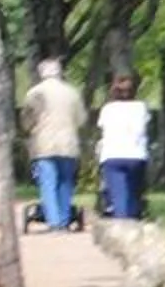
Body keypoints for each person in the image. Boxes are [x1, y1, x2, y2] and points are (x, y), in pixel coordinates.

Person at [22, 57, 87, 231]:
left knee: (48, 182)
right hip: (68, 143)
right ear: (60, 72)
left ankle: (54, 222)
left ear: (42, 73)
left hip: (44, 144)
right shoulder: (72, 93)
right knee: (66, 182)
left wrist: (30, 129)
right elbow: (80, 119)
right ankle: (65, 219)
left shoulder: (35, 93)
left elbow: (28, 120)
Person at [96, 71, 153, 220]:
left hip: (113, 155)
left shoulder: (108, 109)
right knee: (135, 194)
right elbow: (144, 127)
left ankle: (122, 226)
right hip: (136, 155)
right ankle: (134, 222)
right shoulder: (141, 107)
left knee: (118, 196)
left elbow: (102, 127)